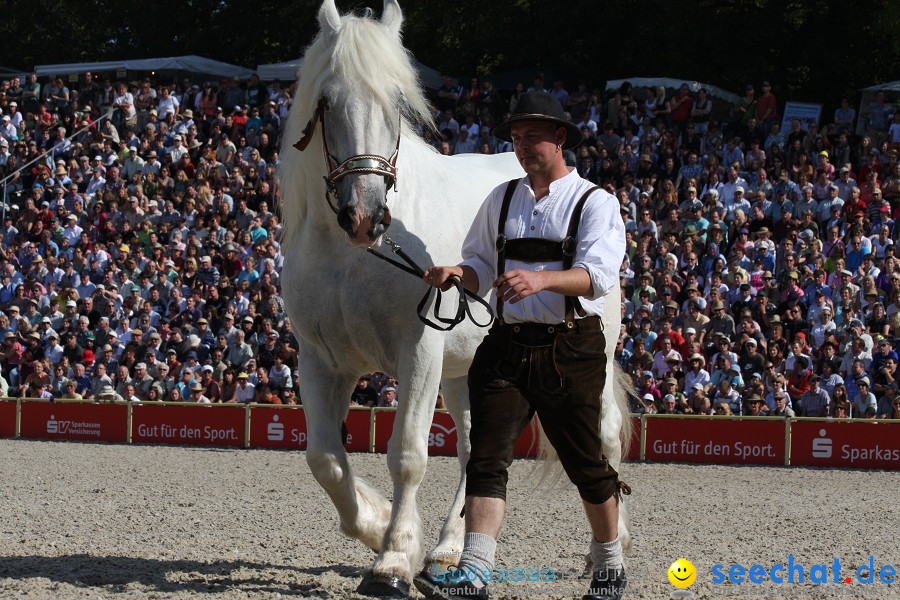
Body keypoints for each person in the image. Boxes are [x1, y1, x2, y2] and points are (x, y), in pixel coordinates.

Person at [416, 92, 628, 600]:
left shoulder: (595, 202)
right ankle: (473, 574)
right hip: (507, 343)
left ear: (560, 138)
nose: (522, 146)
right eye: (515, 138)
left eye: (532, 136)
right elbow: (481, 267)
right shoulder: (502, 198)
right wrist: (456, 275)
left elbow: (599, 277)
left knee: (586, 464)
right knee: (485, 459)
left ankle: (610, 563)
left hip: (570, 348)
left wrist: (542, 281)